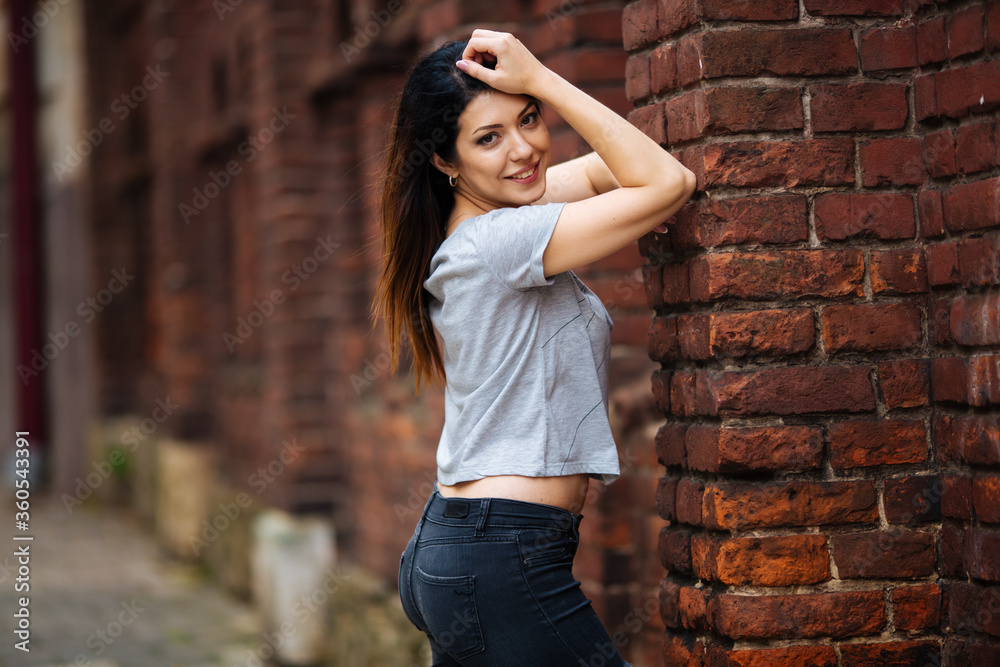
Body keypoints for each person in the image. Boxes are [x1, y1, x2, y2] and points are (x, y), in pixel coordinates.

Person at [373, 29, 696, 667]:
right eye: (488, 138)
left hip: (467, 548)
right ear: (444, 161)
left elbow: (614, 168)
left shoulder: (488, 223)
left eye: (529, 120)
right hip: (501, 559)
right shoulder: (502, 241)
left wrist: (534, 90)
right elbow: (667, 180)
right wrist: (542, 79)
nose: (524, 150)